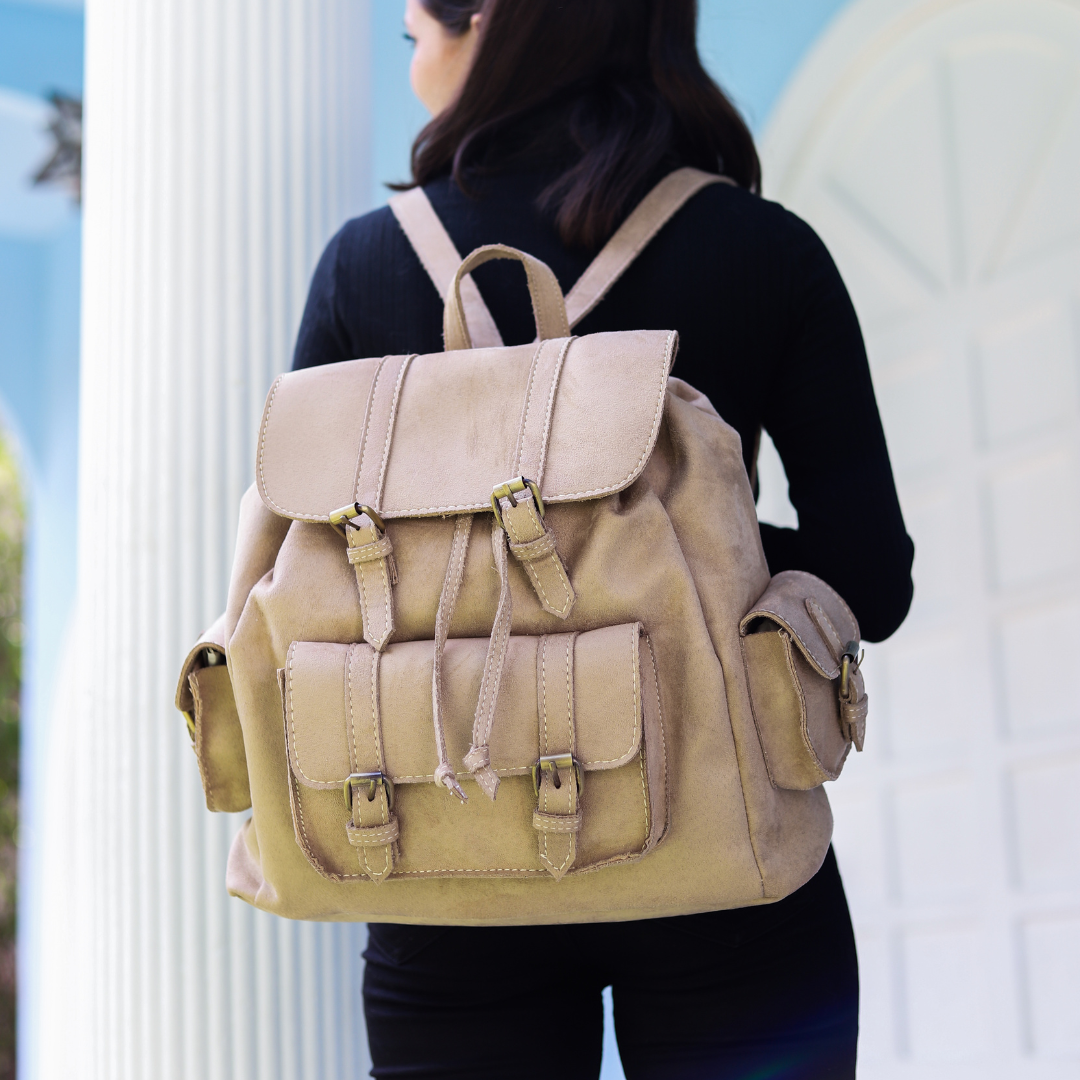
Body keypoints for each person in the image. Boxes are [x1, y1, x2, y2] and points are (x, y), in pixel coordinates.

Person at [293, 1, 914, 1076]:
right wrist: (669, 539)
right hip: (731, 858)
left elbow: (308, 583)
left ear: (485, 21)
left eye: (414, 39)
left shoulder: (364, 268)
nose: (414, 69)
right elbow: (872, 577)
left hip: (445, 866)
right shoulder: (764, 251)